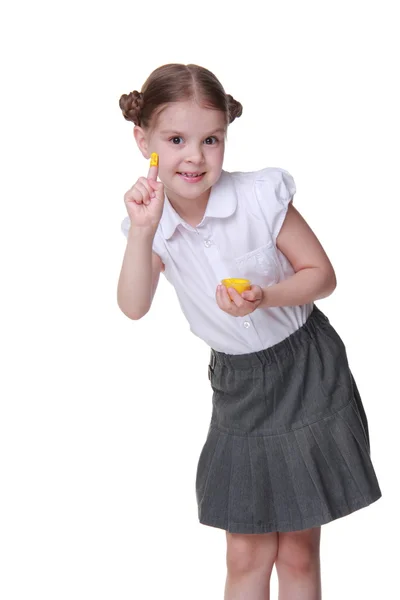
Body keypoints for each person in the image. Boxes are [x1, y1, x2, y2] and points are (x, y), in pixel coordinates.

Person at [117, 63, 382, 600]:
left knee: (298, 548)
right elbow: (133, 306)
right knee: (247, 548)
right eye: (176, 139)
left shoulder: (260, 196)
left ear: (225, 139)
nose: (195, 156)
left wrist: (266, 296)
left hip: (306, 370)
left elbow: (322, 276)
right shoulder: (152, 222)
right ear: (143, 139)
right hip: (239, 386)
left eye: (210, 140)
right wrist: (143, 234)